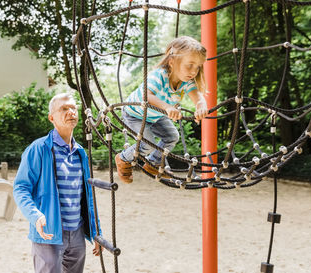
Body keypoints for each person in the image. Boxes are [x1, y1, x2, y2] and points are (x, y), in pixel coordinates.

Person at [13, 93, 102, 273]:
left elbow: (87, 196)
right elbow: (21, 188)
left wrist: (96, 231)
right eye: (64, 109)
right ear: (51, 117)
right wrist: (35, 215)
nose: (70, 112)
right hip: (49, 231)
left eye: (73, 108)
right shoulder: (38, 149)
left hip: (77, 232)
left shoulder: (80, 152)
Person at [116, 36, 208, 183]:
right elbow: (146, 95)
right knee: (146, 143)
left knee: (172, 137)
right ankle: (122, 158)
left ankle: (153, 163)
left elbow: (197, 96)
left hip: (156, 115)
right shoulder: (159, 75)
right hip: (135, 114)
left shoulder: (186, 81)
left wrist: (201, 106)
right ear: (172, 62)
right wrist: (168, 107)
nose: (194, 71)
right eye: (190, 65)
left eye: (198, 66)